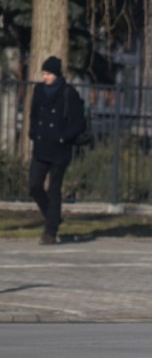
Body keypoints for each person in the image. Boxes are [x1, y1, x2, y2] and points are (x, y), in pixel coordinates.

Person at [27, 56, 86, 245]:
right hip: (41, 145)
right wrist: (33, 132)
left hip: (60, 148)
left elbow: (78, 122)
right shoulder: (38, 90)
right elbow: (34, 114)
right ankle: (53, 216)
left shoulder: (69, 93)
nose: (45, 77)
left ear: (56, 74)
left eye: (48, 74)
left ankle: (50, 231)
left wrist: (63, 137)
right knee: (34, 185)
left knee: (54, 189)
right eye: (43, 74)